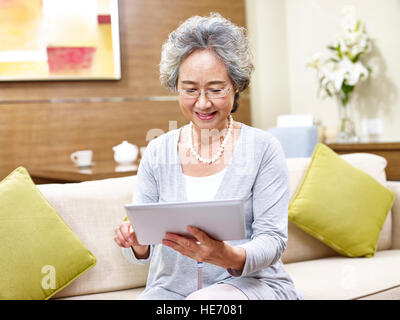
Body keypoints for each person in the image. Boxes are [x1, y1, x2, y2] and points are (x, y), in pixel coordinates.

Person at [114, 13, 305, 300]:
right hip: (170, 291)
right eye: (190, 90)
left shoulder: (263, 148)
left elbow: (272, 240)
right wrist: (135, 242)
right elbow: (144, 246)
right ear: (175, 87)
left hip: (251, 286)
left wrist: (226, 255)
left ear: (236, 85)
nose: (202, 103)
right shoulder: (157, 151)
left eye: (216, 89)